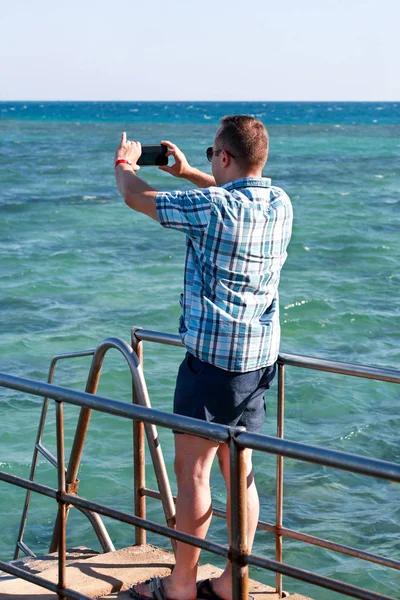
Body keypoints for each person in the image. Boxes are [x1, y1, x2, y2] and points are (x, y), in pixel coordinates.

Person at [114, 115, 293, 600]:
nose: (211, 160)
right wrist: (191, 170)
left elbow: (135, 196)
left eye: (213, 154)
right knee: (242, 475)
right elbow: (232, 193)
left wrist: (125, 164)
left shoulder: (212, 208)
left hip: (210, 363)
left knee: (193, 473)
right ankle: (235, 581)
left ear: (227, 157)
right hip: (256, 365)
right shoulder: (279, 202)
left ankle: (181, 585)